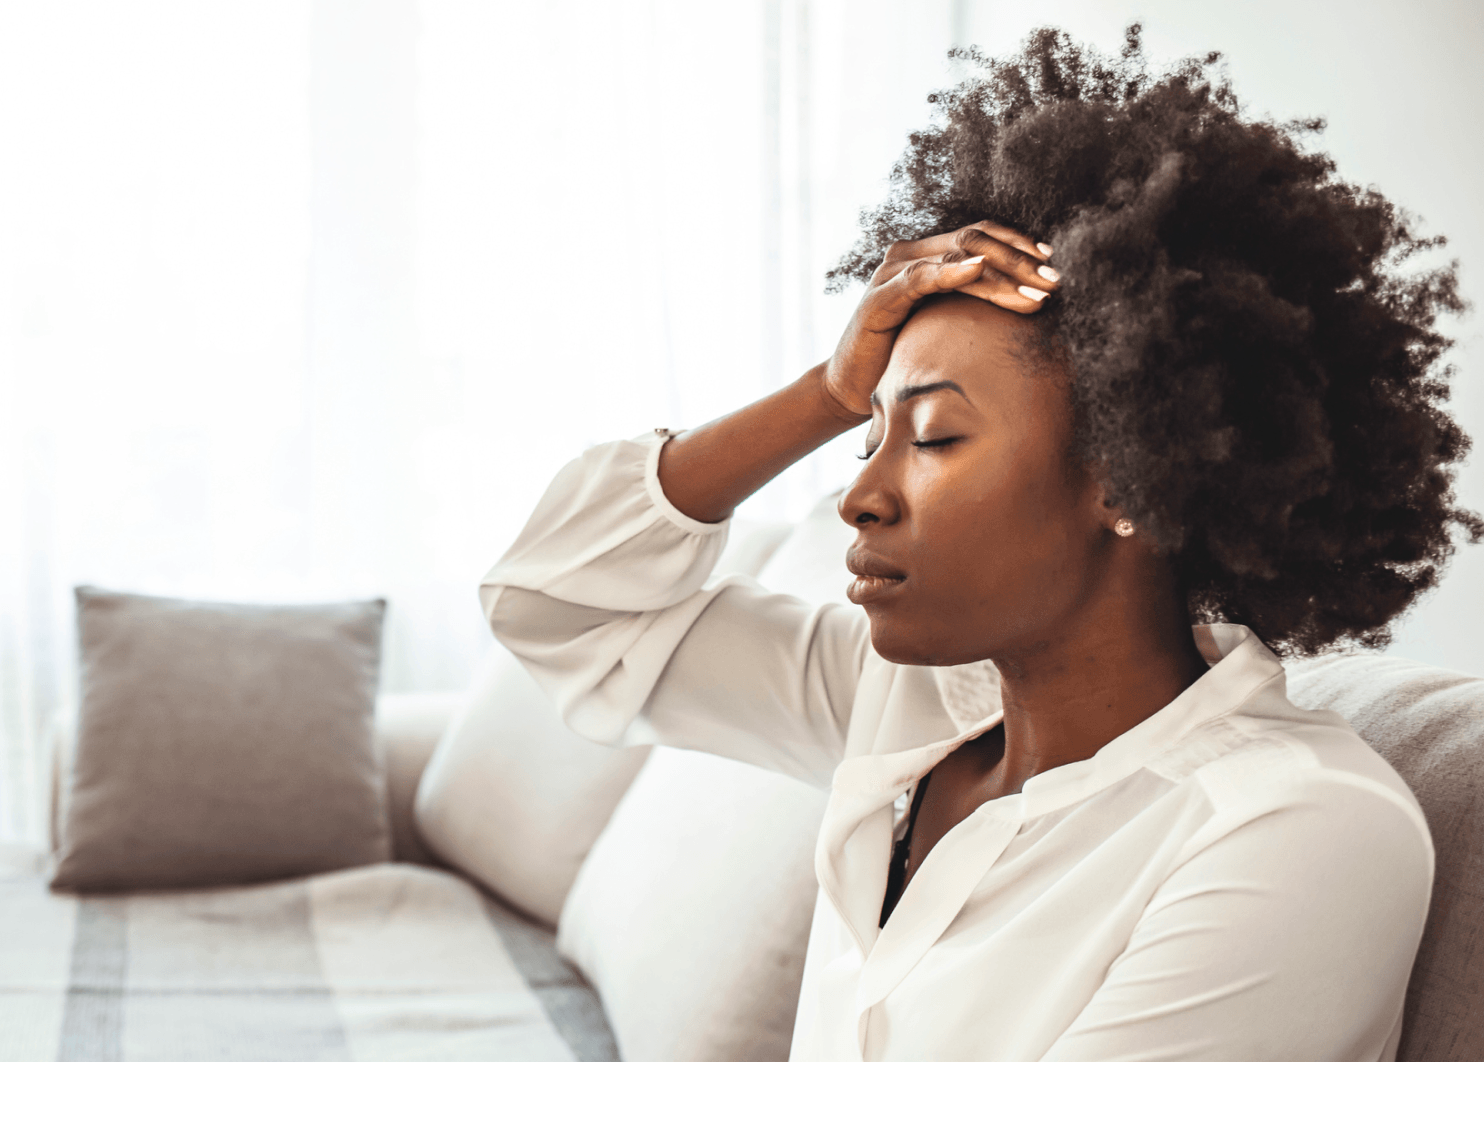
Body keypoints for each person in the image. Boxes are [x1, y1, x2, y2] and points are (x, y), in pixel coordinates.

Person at [480, 26, 1482, 1060]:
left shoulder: (1294, 831)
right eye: (866, 435)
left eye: (933, 436)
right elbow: (561, 606)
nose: (859, 496)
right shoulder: (911, 707)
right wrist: (823, 395)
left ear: (1131, 480)